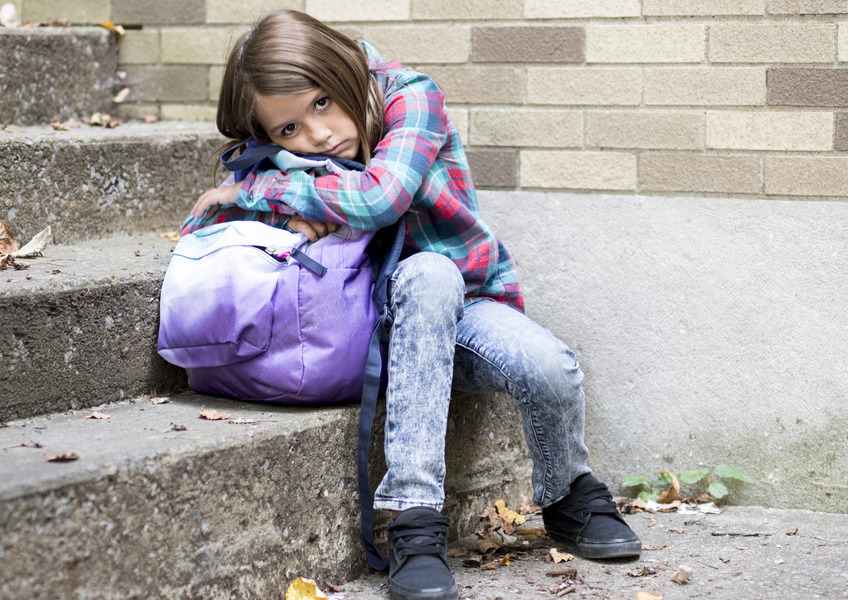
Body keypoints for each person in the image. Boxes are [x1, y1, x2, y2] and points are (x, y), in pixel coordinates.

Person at [182, 10, 641, 600]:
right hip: (358, 320)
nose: (317, 135)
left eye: (322, 103)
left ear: (342, 69)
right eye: (288, 130)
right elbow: (236, 217)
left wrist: (259, 189)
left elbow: (380, 196)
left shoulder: (410, 98)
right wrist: (274, 207)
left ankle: (568, 492)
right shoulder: (278, 148)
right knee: (426, 275)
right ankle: (415, 521)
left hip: (465, 305)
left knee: (541, 359)